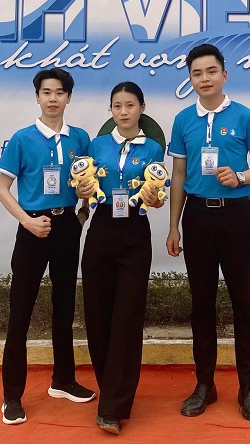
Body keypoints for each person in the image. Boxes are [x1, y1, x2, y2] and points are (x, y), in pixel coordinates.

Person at [165, 44, 250, 422]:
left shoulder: (243, 116)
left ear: (224, 75)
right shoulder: (183, 120)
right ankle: (204, 385)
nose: (205, 78)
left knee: (244, 304)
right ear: (190, 79)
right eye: (197, 73)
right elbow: (179, 174)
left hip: (237, 217)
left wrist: (240, 176)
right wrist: (174, 225)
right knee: (201, 305)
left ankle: (248, 389)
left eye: (211, 71)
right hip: (197, 218)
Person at [0, 68, 96, 425]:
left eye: (59, 92)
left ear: (69, 97)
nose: (53, 98)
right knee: (20, 312)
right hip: (33, 229)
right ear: (37, 97)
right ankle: (12, 396)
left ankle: (63, 380)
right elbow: (2, 190)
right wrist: (27, 221)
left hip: (67, 226)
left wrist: (82, 212)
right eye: (46, 92)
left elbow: (87, 184)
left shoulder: (80, 138)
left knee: (64, 307)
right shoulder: (22, 139)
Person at [80, 81, 166, 435]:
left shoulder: (154, 148)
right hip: (100, 230)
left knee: (127, 318)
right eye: (117, 105)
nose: (124, 111)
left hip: (134, 233)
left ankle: (113, 406)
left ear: (142, 108)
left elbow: (156, 194)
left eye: (130, 105)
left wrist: (157, 200)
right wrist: (81, 190)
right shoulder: (96, 144)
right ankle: (111, 389)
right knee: (98, 316)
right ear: (111, 110)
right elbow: (83, 188)